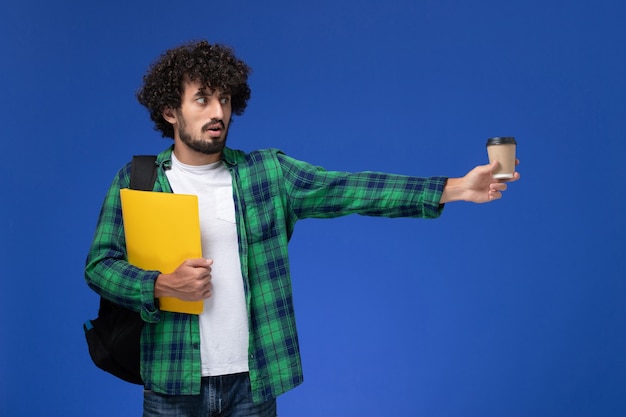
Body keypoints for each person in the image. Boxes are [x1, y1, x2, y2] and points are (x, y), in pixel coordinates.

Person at [85, 40, 520, 417]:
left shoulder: (268, 174)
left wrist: (455, 187)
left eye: (226, 99)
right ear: (169, 111)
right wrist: (161, 285)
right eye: (202, 99)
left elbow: (352, 189)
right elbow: (100, 266)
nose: (218, 112)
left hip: (252, 382)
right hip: (171, 378)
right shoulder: (139, 178)